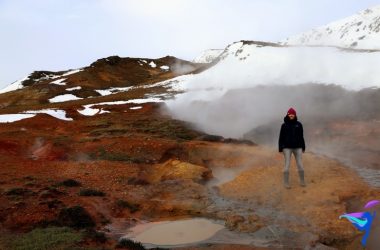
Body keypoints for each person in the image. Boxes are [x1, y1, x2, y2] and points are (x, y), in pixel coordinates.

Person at [278, 107, 306, 189]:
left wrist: (303, 146)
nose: (291, 115)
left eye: (292, 114)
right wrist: (280, 148)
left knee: (300, 165)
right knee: (287, 165)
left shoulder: (299, 124)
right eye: (290, 114)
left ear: (295, 115)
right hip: (287, 148)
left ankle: (302, 181)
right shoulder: (284, 125)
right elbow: (281, 137)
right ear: (287, 114)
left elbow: (301, 136)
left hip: (298, 147)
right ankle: (286, 183)